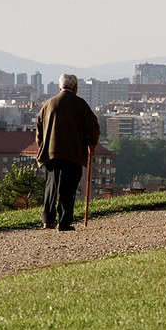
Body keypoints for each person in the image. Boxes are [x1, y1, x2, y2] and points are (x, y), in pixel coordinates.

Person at [36, 73, 100, 231]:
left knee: (51, 184)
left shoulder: (49, 104)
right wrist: (93, 142)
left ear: (60, 87)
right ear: (75, 87)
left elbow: (38, 129)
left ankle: (47, 220)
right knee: (68, 187)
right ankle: (64, 222)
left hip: (51, 152)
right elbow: (93, 127)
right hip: (73, 152)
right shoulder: (80, 104)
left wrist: (43, 146)